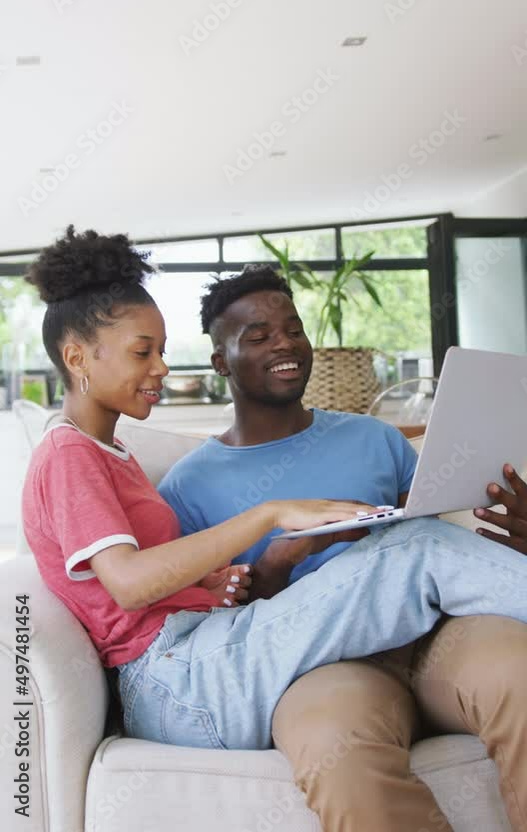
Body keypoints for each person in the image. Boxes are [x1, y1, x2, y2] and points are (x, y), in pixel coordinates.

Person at [21, 231, 527, 785]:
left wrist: (214, 585)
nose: (162, 367)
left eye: (161, 351)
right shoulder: (68, 453)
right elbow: (128, 584)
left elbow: (135, 588)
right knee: (418, 548)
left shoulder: (109, 452)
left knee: (412, 543)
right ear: (77, 357)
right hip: (177, 679)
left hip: (200, 654)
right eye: (143, 352)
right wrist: (270, 514)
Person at [159, 264, 527, 832]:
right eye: (258, 336)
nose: (285, 344)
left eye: (294, 329)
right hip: (322, 666)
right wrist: (280, 559)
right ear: (219, 362)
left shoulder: (372, 437)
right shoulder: (187, 488)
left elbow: (440, 541)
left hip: (437, 635)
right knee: (338, 750)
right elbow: (218, 633)